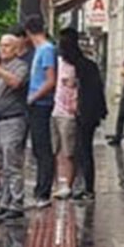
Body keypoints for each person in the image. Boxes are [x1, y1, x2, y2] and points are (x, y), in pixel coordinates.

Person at [0, 33, 31, 220]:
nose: (3, 49)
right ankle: (5, 202)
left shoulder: (20, 66)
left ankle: (16, 203)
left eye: (8, 46)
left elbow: (16, 82)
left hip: (12, 121)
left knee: (13, 164)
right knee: (0, 165)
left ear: (17, 48)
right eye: (1, 45)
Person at [23, 16, 58, 206]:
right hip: (37, 103)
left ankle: (43, 191)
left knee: (42, 148)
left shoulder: (46, 50)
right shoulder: (41, 50)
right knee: (37, 147)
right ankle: (40, 188)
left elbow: (50, 80)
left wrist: (33, 97)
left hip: (41, 104)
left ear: (28, 32)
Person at [71, 35, 108, 202]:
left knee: (83, 149)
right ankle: (87, 187)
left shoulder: (79, 67)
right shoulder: (90, 66)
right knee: (84, 149)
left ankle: (87, 188)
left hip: (85, 113)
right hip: (91, 113)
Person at [51, 30, 84, 199]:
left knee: (69, 150)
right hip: (55, 109)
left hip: (68, 112)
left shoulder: (77, 65)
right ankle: (57, 183)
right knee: (55, 149)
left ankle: (68, 185)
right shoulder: (57, 62)